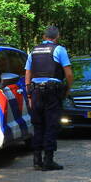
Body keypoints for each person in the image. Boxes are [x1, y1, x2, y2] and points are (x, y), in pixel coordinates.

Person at [25, 26, 73, 171]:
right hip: (52, 92)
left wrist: (29, 94)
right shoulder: (60, 50)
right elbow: (69, 74)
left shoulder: (33, 51)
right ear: (57, 36)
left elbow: (27, 74)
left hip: (36, 92)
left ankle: (36, 160)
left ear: (44, 36)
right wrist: (67, 89)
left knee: (38, 125)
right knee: (51, 124)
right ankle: (48, 161)